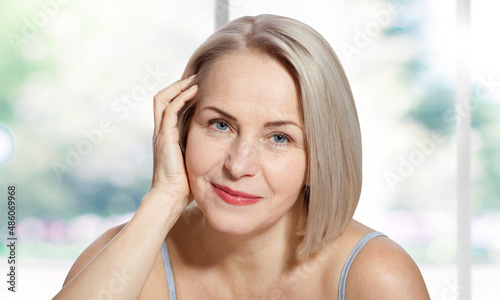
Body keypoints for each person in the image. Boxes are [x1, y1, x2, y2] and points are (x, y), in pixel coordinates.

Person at [54, 14, 429, 299]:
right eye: (220, 125)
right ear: (182, 129)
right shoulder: (126, 257)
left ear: (319, 160)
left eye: (279, 137)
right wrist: (165, 196)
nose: (238, 165)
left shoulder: (376, 276)